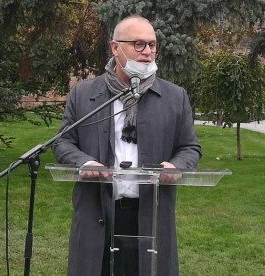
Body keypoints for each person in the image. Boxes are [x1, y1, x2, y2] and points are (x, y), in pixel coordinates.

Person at [51, 15, 202, 276]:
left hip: (149, 214)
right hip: (97, 209)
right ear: (115, 47)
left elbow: (190, 147)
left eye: (152, 45)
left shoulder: (175, 97)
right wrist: (83, 162)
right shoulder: (84, 94)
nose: (148, 52)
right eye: (138, 44)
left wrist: (176, 165)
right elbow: (63, 141)